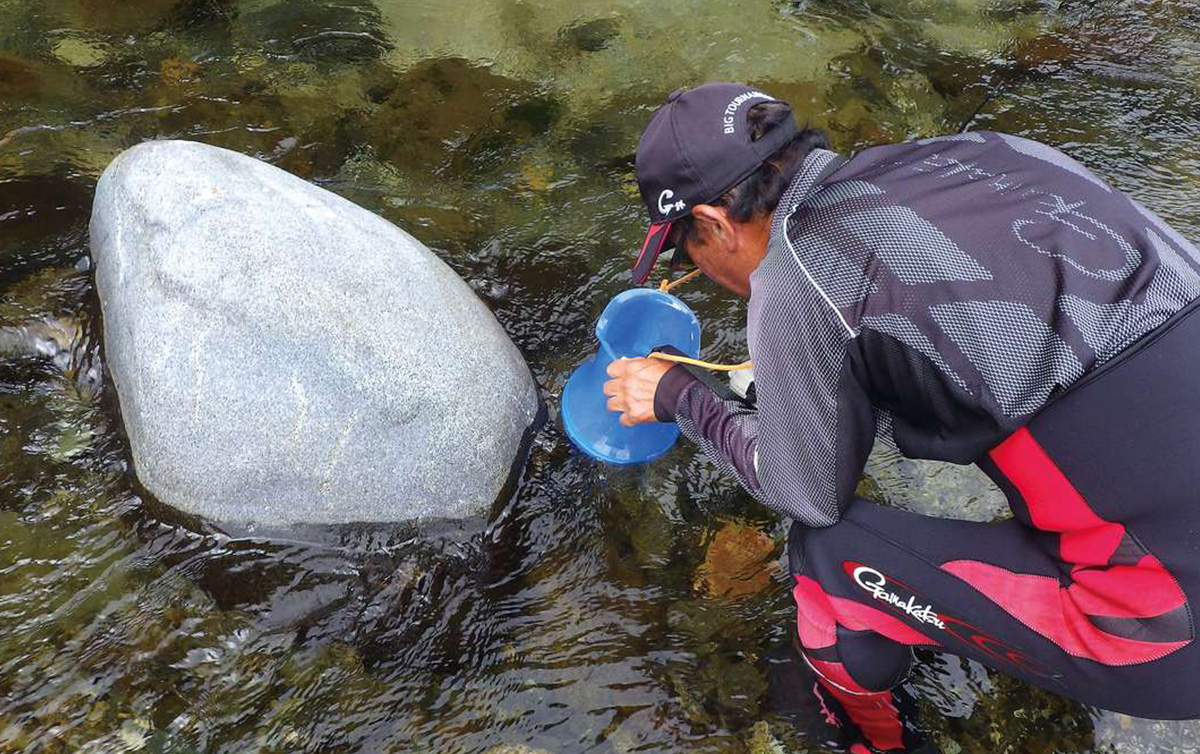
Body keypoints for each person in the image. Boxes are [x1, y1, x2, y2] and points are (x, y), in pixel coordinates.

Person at [603, 82, 1200, 753]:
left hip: (1167, 629)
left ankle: (872, 740)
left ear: (713, 222)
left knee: (824, 557)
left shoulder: (797, 279)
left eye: (687, 257)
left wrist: (681, 396)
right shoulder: (988, 153)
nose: (700, 271)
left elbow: (805, 492)